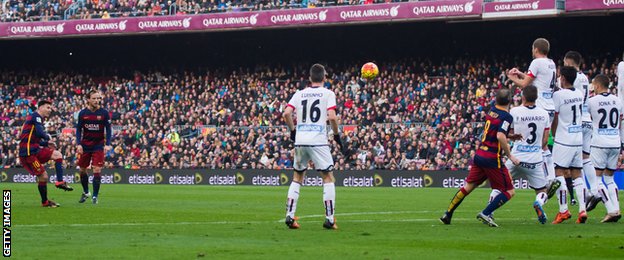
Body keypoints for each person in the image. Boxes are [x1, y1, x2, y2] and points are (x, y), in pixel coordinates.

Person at [440, 88, 520, 227]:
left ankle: (448, 213)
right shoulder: (507, 116)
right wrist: (510, 155)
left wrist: (510, 136)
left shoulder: (492, 110)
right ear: (510, 101)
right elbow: (500, 135)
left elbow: (494, 131)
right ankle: (486, 213)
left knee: (468, 187)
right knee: (509, 191)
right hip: (492, 157)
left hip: (480, 154)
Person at [282, 64, 344, 230]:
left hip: (301, 140)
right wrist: (337, 135)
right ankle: (330, 219)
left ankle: (289, 215)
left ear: (310, 78)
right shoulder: (328, 93)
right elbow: (331, 116)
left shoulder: (299, 94)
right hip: (318, 140)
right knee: (328, 178)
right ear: (324, 78)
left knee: (297, 177)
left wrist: (293, 131)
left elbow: (286, 113)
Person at [491, 85, 551, 224]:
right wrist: (535, 148)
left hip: (516, 157)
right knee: (542, 190)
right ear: (536, 97)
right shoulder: (544, 113)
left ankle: (490, 210)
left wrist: (514, 139)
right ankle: (539, 203)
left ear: (523, 97)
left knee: (500, 185)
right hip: (535, 160)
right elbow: (545, 140)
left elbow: (507, 134)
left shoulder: (514, 111)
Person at [507, 38, 559, 193]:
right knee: (544, 146)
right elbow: (537, 80)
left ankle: (544, 180)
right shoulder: (551, 63)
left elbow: (525, 85)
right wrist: (521, 74)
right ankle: (551, 177)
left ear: (536, 49)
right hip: (550, 105)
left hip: (540, 105)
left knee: (537, 144)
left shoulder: (536, 62)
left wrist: (512, 77)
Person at [18, 100, 71, 208]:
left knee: (58, 155)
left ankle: (60, 181)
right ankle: (45, 202)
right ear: (40, 107)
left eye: (50, 108)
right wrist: (49, 137)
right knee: (44, 176)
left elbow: (36, 139)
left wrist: (47, 143)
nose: (49, 110)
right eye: (48, 107)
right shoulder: (36, 117)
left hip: (35, 149)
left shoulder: (37, 120)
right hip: (28, 153)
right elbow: (40, 133)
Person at [551, 66, 587, 224]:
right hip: (578, 138)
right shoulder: (579, 93)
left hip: (564, 139)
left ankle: (563, 210)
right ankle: (583, 209)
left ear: (563, 78)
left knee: (558, 172)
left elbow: (556, 118)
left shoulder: (558, 95)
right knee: (577, 174)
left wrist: (553, 133)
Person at [585, 74, 622, 222]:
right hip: (615, 142)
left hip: (599, 142)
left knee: (597, 179)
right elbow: (620, 122)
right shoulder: (618, 101)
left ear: (598, 86)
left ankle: (611, 210)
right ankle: (616, 208)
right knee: (610, 178)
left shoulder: (592, 101)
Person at [564, 51, 594, 206]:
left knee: (572, 164)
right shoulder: (585, 77)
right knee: (585, 158)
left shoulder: (571, 78)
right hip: (587, 120)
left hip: (575, 122)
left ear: (569, 63)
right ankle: (592, 191)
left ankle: (589, 193)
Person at [76, 90, 112, 204]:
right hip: (85, 145)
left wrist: (108, 144)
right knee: (82, 170)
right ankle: (86, 192)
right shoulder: (82, 113)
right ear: (88, 100)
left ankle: (95, 196)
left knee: (97, 169)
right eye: (94, 98)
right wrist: (78, 144)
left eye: (99, 98)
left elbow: (109, 129)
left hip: (98, 145)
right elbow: (78, 129)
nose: (97, 101)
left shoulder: (104, 113)